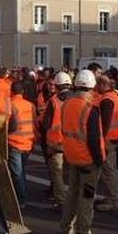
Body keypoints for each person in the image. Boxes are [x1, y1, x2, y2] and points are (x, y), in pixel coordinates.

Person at [60, 70, 107, 234]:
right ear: (92, 87)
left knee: (72, 194)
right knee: (86, 197)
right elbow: (94, 140)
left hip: (72, 156)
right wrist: (99, 160)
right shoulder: (90, 110)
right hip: (88, 161)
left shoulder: (66, 105)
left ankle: (66, 228)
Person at [42, 72, 73, 209]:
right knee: (72, 173)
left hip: (56, 142)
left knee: (57, 174)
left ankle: (61, 201)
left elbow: (46, 123)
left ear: (58, 85)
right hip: (73, 142)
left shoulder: (53, 101)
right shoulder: (76, 100)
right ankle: (74, 199)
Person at [94, 75, 118, 212]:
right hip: (115, 136)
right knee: (110, 169)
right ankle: (110, 197)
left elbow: (105, 123)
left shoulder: (106, 100)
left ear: (101, 85)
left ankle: (113, 200)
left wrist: (101, 141)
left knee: (109, 170)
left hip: (109, 139)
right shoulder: (113, 96)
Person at [8, 82, 37, 208]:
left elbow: (12, 125)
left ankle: (21, 199)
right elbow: (35, 122)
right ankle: (23, 195)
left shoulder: (10, 104)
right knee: (22, 171)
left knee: (17, 173)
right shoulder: (30, 105)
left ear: (11, 91)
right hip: (28, 142)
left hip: (15, 142)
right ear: (23, 92)